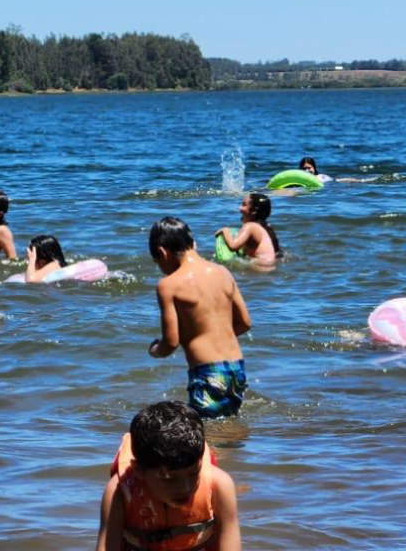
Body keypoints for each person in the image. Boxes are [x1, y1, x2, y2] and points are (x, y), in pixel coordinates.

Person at [95, 401, 241, 551]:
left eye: (194, 473)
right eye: (169, 479)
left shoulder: (219, 486)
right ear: (139, 470)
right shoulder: (120, 492)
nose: (185, 488)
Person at [147, 217, 253, 419]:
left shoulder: (168, 285)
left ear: (162, 252)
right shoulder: (222, 272)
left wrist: (155, 350)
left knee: (201, 431)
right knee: (227, 423)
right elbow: (245, 323)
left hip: (207, 373)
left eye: (157, 261)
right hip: (236, 368)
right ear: (193, 244)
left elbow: (171, 342)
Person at [215, 193, 281, 268]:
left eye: (244, 205)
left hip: (260, 267)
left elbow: (233, 246)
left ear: (253, 211)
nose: (239, 208)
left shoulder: (250, 226)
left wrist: (225, 230)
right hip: (267, 268)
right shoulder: (265, 228)